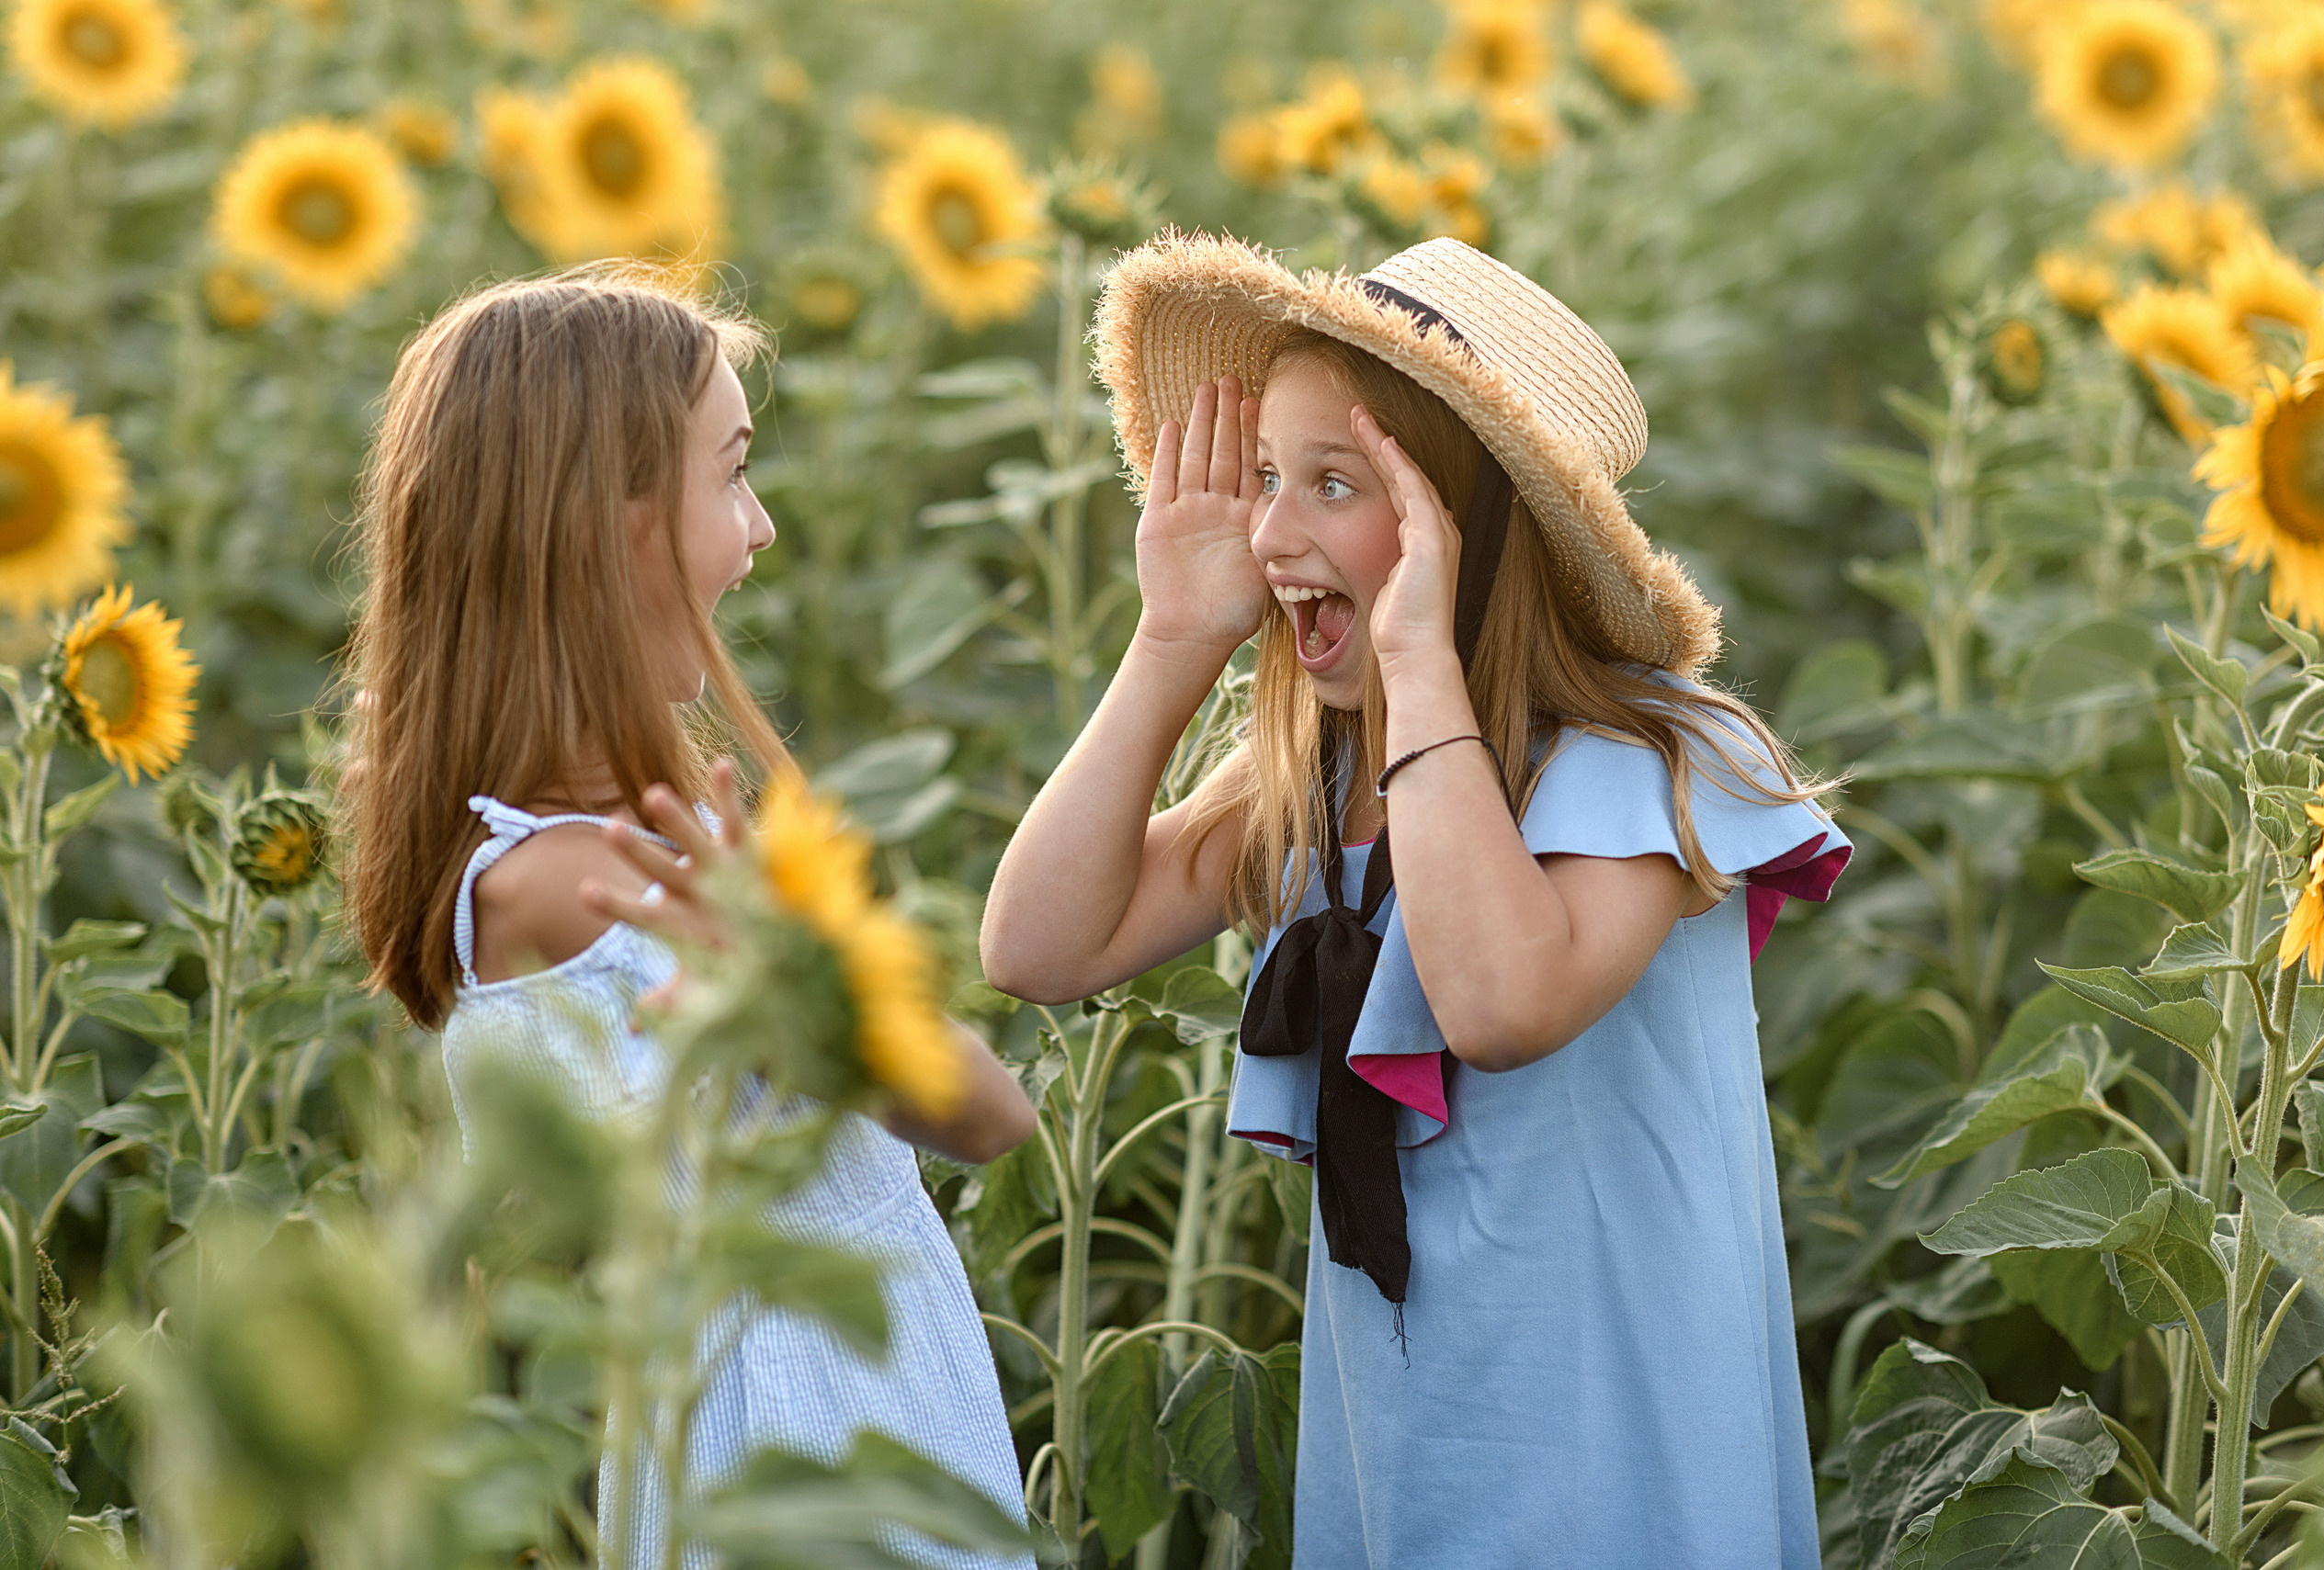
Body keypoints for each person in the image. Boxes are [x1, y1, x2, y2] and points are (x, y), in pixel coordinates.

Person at [980, 233, 1848, 1568]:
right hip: (1410, 1442)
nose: (1272, 531)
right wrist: (1172, 643)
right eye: (1266, 477)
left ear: (1470, 528)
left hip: (1614, 1443)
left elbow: (1500, 1000)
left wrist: (1419, 668)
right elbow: (1038, 945)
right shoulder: (1319, 777)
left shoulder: (1654, 770)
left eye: (1336, 483)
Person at [336, 268, 1037, 1570]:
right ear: (618, 529)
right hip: (808, 1440)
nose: (761, 528)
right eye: (733, 474)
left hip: (834, 1407)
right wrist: (793, 960)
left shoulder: (620, 853)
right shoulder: (580, 881)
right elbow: (987, 1111)